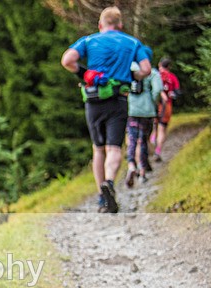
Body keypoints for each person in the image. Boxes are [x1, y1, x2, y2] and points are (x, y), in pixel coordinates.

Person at [61, 6, 151, 213]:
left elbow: (67, 60)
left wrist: (84, 73)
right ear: (120, 25)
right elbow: (145, 69)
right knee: (114, 148)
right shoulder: (132, 42)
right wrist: (132, 76)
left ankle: (102, 199)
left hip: (93, 100)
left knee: (98, 149)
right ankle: (109, 182)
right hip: (118, 100)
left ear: (100, 25)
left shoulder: (89, 40)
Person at [124, 45, 162, 187]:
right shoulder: (152, 73)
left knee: (132, 139)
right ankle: (142, 172)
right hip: (147, 111)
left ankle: (131, 165)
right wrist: (153, 102)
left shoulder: (130, 71)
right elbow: (157, 90)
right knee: (143, 140)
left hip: (131, 110)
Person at [153, 57, 181, 162]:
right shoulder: (172, 77)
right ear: (169, 66)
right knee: (162, 129)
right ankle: (158, 150)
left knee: (153, 127)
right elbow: (177, 92)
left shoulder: (155, 76)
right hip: (166, 106)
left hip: (154, 105)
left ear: (160, 64)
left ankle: (150, 144)